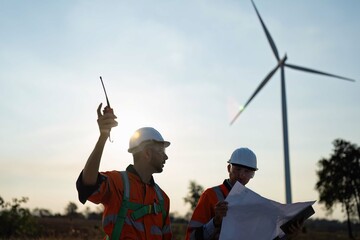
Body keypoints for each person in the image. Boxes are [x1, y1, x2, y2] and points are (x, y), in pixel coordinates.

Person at [76, 103, 172, 240]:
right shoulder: (117, 183)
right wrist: (103, 136)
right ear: (147, 153)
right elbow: (87, 185)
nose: (166, 156)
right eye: (161, 150)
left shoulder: (163, 199)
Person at [185, 147, 302, 240]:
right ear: (228, 168)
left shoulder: (254, 203)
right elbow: (191, 237)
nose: (242, 175)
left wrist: (288, 235)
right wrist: (215, 222)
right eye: (237, 169)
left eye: (248, 172)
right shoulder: (210, 195)